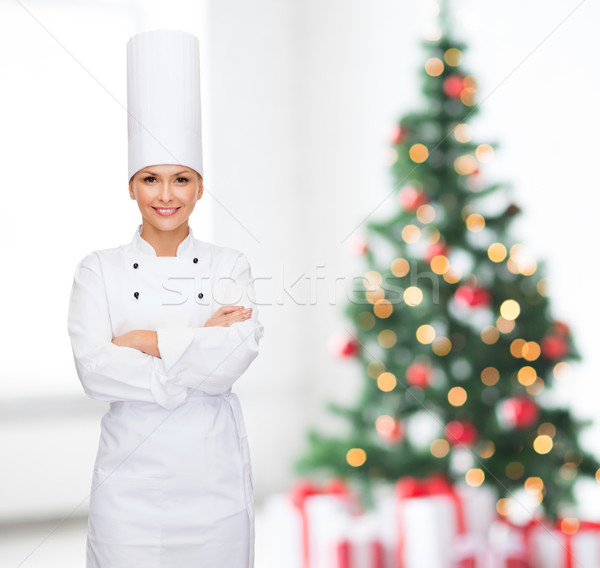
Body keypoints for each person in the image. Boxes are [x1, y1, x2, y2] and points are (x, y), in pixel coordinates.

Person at [67, 29, 264, 567]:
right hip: (129, 488)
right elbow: (94, 370)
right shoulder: (97, 269)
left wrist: (143, 341)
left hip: (212, 481)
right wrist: (194, 347)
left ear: (200, 187)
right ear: (131, 187)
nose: (166, 195)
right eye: (150, 179)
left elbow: (232, 358)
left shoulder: (230, 264)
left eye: (181, 180)